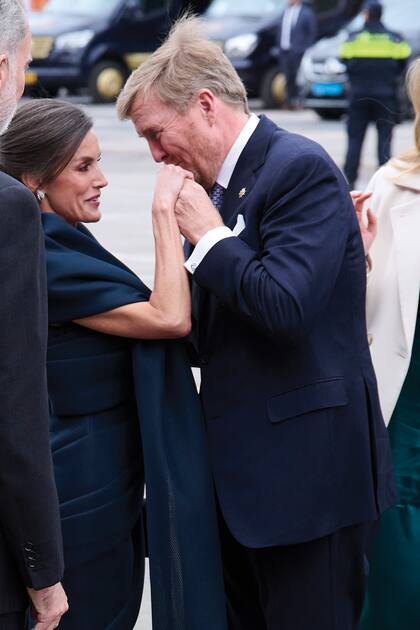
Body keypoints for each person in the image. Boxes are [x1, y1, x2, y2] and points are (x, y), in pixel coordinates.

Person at [117, 15, 396, 630]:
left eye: (157, 134)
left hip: (308, 487)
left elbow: (285, 309)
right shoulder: (215, 187)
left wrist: (207, 235)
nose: (156, 155)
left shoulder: (298, 168)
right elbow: (198, 334)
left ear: (206, 106)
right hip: (237, 489)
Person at [0, 98, 228, 630]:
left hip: (109, 490)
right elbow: (169, 317)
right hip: (78, 500)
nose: (102, 179)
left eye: (99, 161)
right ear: (34, 180)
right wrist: (165, 219)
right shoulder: (43, 258)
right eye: (83, 167)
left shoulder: (66, 241)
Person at [0, 2, 68, 629]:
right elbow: (15, 403)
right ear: (1, 67)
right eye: (24, 68)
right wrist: (43, 571)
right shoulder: (9, 207)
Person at [352, 58, 420, 630]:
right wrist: (355, 252)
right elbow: (360, 304)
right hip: (405, 417)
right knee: (397, 588)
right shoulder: (392, 185)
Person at [340, 0, 411, 189]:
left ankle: (349, 183)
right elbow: (403, 65)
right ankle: (385, 185)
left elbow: (345, 61)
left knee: (354, 141)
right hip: (385, 97)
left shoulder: (353, 38)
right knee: (385, 142)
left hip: (358, 96)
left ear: (366, 14)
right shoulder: (395, 39)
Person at [278, 0, 317, 109]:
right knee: (288, 76)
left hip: (299, 51)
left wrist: (305, 48)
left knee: (299, 77)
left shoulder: (306, 13)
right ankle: (289, 101)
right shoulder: (285, 12)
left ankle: (299, 101)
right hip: (284, 50)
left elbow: (311, 32)